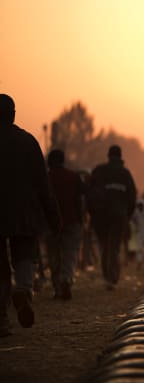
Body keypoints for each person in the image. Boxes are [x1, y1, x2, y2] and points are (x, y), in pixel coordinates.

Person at [0, 94, 61, 336]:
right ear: (13, 114)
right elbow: (43, 184)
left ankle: (2, 318)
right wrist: (54, 217)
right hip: (24, 212)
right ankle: (23, 290)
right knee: (25, 254)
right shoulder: (27, 142)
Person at [88, 145, 137, 290]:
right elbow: (132, 197)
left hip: (100, 217)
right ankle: (112, 278)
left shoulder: (98, 171)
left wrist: (92, 213)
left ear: (108, 155)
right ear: (120, 156)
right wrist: (126, 215)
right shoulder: (125, 174)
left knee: (104, 246)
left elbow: (89, 194)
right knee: (114, 247)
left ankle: (107, 276)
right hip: (118, 216)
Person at [46, 149, 85, 300]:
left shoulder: (47, 178)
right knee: (70, 253)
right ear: (63, 160)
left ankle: (57, 288)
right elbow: (80, 199)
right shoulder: (74, 177)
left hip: (51, 223)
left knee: (54, 255)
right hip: (72, 220)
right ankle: (66, 279)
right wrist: (81, 219)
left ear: (50, 162)